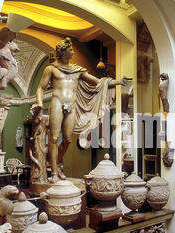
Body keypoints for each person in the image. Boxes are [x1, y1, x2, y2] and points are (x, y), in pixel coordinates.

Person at [32, 37, 126, 183]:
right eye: (70, 50)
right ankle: (55, 172)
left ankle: (54, 164)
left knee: (68, 140)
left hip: (72, 105)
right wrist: (39, 103)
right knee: (54, 138)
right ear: (62, 52)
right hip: (57, 102)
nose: (72, 52)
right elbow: (40, 88)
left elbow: (98, 82)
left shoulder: (77, 71)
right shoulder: (51, 69)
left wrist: (118, 82)